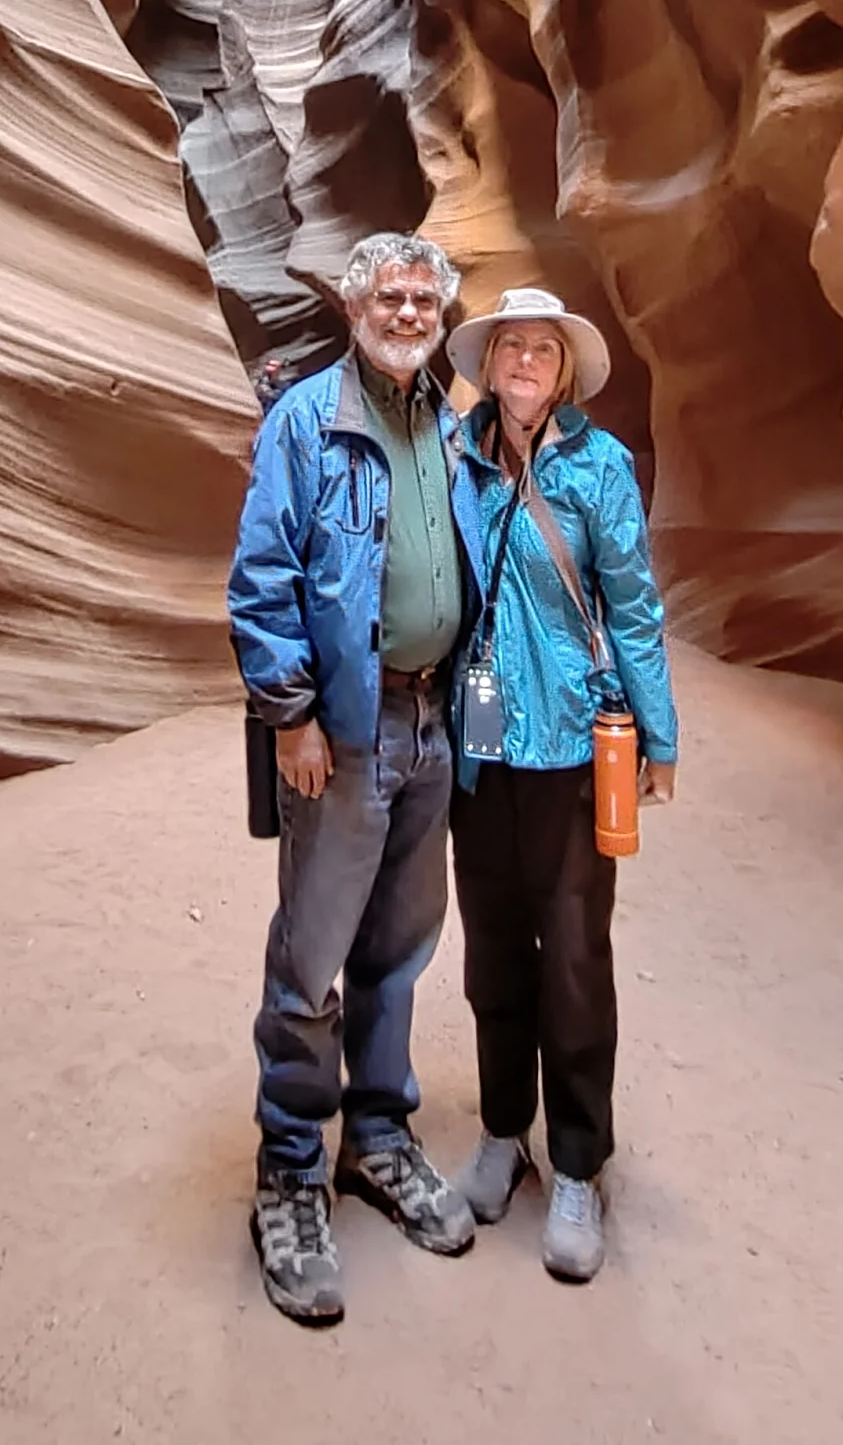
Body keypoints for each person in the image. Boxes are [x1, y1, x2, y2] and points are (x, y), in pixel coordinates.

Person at [227, 231, 487, 1326]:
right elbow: (263, 575)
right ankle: (291, 1170)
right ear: (353, 304)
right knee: (315, 955)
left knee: (402, 945)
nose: (411, 309)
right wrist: (290, 715)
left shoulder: (451, 422)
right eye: (393, 292)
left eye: (427, 295)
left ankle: (377, 1135)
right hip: (346, 723)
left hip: (433, 718)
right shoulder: (305, 424)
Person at [443, 285, 678, 1284]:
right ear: (490, 364)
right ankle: (504, 1132)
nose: (527, 364)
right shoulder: (453, 459)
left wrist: (657, 733)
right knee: (493, 945)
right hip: (481, 743)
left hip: (577, 745)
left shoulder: (598, 467)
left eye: (544, 350)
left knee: (575, 953)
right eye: (511, 348)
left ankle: (578, 1162)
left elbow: (632, 605)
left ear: (565, 369)